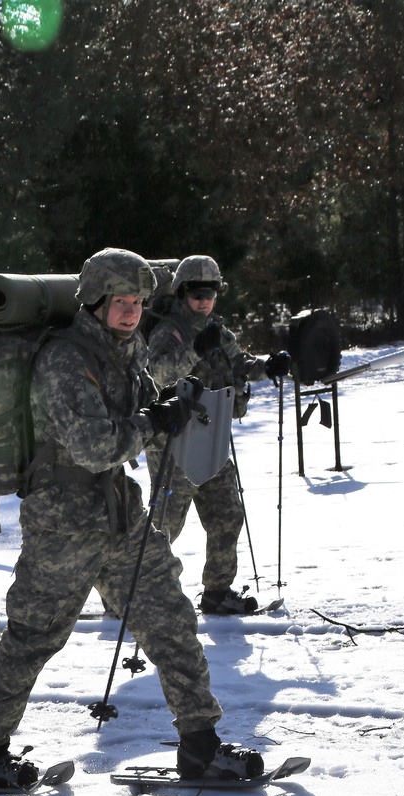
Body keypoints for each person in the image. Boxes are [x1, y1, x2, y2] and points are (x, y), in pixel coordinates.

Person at [0, 247, 263, 789]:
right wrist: (153, 421)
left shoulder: (126, 350)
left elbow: (140, 412)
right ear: (96, 301)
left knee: (171, 619)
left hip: (120, 512)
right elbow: (94, 446)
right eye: (121, 301)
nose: (131, 311)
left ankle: (200, 743)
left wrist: (174, 411)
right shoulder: (64, 360)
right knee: (35, 637)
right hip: (64, 522)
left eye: (138, 302)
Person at [146, 254, 292, 615]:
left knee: (228, 514)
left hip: (211, 437)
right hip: (174, 443)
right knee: (164, 526)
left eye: (210, 293)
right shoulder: (170, 330)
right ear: (182, 293)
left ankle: (217, 591)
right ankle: (137, 591)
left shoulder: (218, 330)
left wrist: (267, 366)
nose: (204, 301)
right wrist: (195, 350)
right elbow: (159, 374)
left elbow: (238, 361)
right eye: (196, 293)